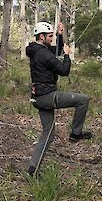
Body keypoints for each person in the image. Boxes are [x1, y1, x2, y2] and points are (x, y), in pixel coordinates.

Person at [26, 21, 92, 177]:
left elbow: (53, 50)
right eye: (50, 36)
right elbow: (64, 70)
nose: (52, 39)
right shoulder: (43, 54)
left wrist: (59, 34)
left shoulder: (37, 50)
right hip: (47, 96)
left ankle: (33, 169)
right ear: (41, 37)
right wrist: (68, 55)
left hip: (38, 97)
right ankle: (76, 133)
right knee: (83, 99)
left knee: (48, 133)